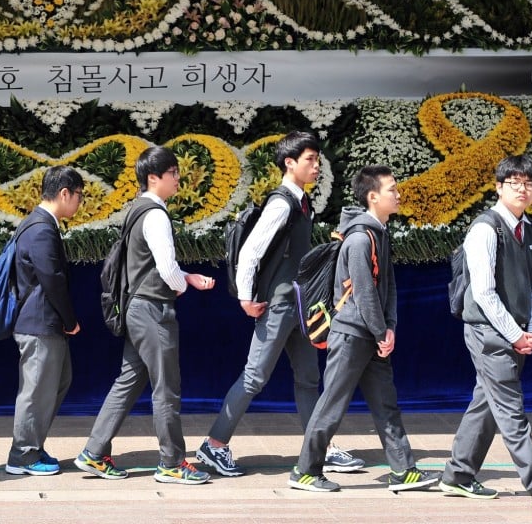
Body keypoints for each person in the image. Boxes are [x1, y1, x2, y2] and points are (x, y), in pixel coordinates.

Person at [197, 131, 364, 477]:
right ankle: (214, 445)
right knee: (255, 375)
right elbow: (251, 251)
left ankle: (319, 448)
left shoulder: (301, 201)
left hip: (299, 304)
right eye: (310, 160)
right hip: (279, 305)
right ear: (290, 163)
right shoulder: (282, 203)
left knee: (307, 377)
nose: (317, 166)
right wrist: (245, 297)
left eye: (318, 160)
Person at [288, 164, 438, 493]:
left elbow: (389, 286)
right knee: (332, 404)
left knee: (386, 404)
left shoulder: (378, 233)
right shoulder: (359, 238)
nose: (398, 194)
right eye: (392, 189)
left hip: (371, 334)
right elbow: (364, 292)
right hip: (353, 333)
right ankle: (306, 471)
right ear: (373, 197)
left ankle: (403, 470)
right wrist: (381, 331)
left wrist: (390, 327)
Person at [73, 146, 215, 484]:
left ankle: (94, 453)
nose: (178, 179)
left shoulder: (136, 210)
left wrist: (185, 278)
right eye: (173, 174)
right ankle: (172, 462)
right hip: (152, 309)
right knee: (167, 387)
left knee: (129, 380)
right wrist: (182, 284)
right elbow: (166, 269)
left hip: (137, 308)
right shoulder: (156, 214)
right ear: (155, 177)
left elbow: (155, 264)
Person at [440, 155, 532, 505]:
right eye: (514, 183)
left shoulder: (531, 229)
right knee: (511, 410)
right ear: (498, 187)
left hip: (517, 332)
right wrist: (515, 334)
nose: (522, 189)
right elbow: (483, 291)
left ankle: (458, 474)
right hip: (488, 331)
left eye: (529, 183)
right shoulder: (486, 228)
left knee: (487, 402)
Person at [5, 166, 83, 476]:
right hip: (39, 324)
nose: (79, 202)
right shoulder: (40, 228)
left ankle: (32, 444)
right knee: (36, 390)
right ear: (64, 193)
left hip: (43, 323)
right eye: (79, 196)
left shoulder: (39, 224)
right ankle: (22, 453)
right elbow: (52, 280)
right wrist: (70, 319)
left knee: (57, 382)